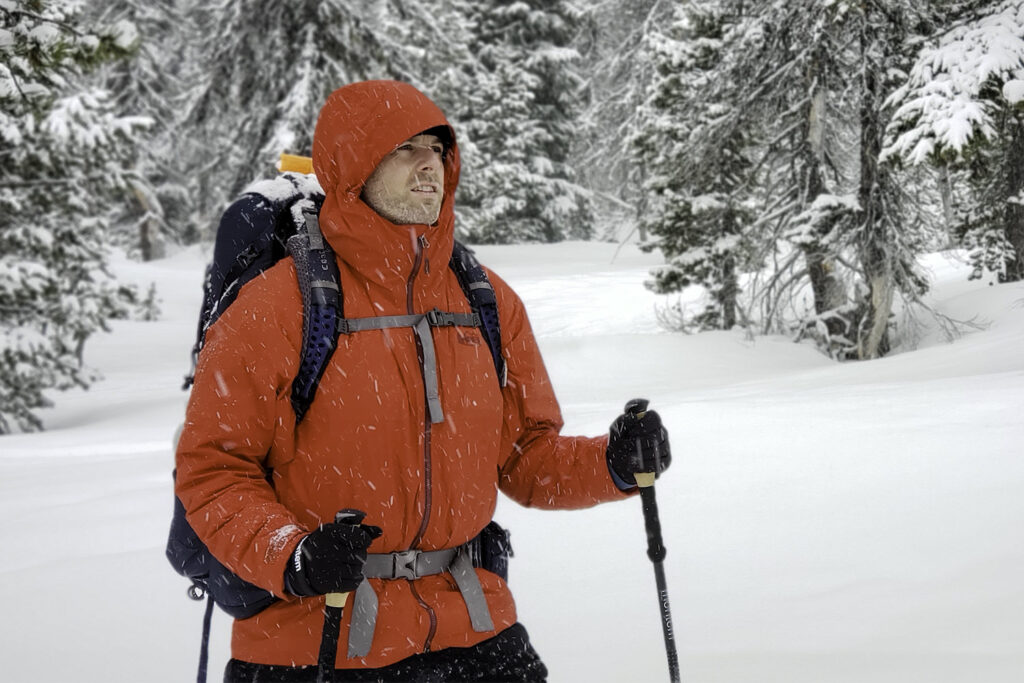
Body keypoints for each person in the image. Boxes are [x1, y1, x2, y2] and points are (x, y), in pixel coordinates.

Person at [175, 80, 671, 683]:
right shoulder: (277, 308)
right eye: (404, 149)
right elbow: (213, 470)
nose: (428, 164)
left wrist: (613, 464)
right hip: (317, 641)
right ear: (355, 167)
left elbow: (525, 457)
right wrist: (293, 554)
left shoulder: (484, 298)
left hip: (476, 630)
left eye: (437, 148)